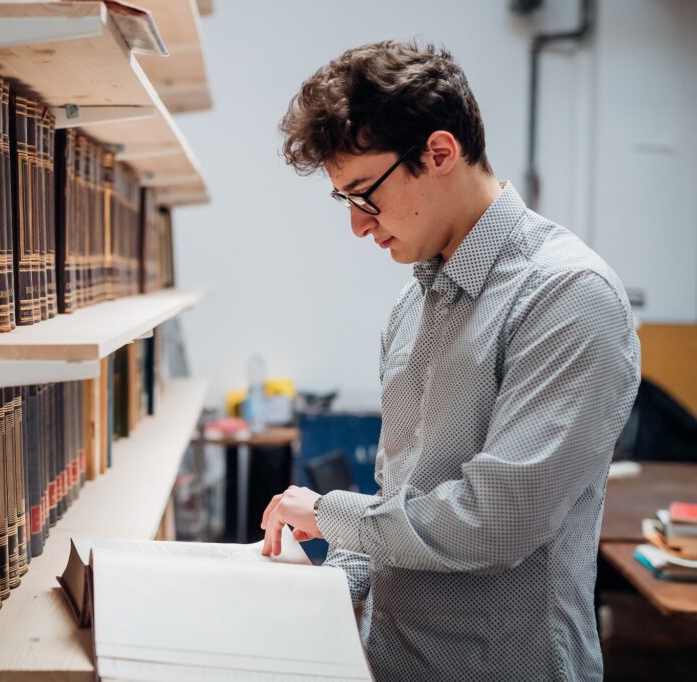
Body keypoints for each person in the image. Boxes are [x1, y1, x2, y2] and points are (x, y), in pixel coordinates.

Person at [261, 40, 640, 681]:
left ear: (439, 153)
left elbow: (495, 521)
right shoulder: (412, 308)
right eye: (344, 201)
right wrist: (324, 593)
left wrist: (330, 514)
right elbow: (396, 504)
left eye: (364, 194)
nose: (358, 226)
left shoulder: (568, 296)